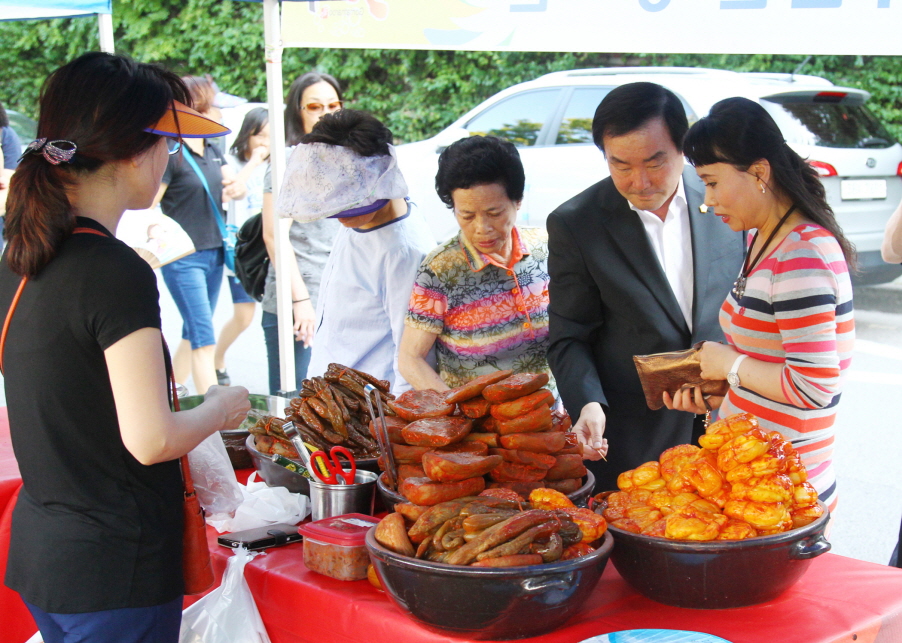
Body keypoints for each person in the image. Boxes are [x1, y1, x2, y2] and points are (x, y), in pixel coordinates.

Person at [0, 52, 250, 643]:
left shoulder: (20, 257)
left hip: (46, 557)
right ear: (131, 149)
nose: (171, 157)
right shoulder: (114, 270)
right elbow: (152, 438)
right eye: (166, 142)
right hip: (115, 569)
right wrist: (220, 406)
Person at [546, 82, 745, 490]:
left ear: (683, 149)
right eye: (620, 165)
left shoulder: (726, 199)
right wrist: (587, 403)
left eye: (655, 163)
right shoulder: (578, 223)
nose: (639, 181)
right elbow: (569, 336)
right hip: (631, 436)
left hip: (728, 426)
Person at [666, 96, 856, 512]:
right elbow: (772, 358)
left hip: (785, 491)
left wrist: (728, 367)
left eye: (713, 183)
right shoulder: (762, 239)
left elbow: (815, 386)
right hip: (753, 477)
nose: (706, 200)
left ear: (758, 172)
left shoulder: (802, 255)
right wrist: (723, 392)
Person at [278, 109, 435, 393]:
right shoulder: (355, 222)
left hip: (370, 412)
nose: (339, 212)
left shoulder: (403, 253)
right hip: (331, 393)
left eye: (347, 202)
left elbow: (413, 358)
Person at [399, 135, 553, 392]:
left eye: (494, 213)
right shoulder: (440, 270)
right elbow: (410, 358)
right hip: (478, 423)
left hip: (549, 415)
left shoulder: (548, 249)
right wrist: (454, 409)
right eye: (467, 215)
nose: (482, 229)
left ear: (518, 201)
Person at [154, 75, 245, 394]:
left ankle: (171, 395)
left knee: (193, 333)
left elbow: (234, 185)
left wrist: (241, 182)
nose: (221, 112)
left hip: (214, 252)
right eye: (216, 106)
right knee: (203, 337)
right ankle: (214, 424)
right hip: (183, 259)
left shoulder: (212, 148)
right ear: (197, 109)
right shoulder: (170, 152)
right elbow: (150, 206)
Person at [260, 71, 343, 394]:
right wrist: (301, 301)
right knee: (294, 404)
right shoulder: (287, 161)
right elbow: (273, 236)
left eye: (333, 104)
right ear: (298, 112)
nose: (326, 113)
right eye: (314, 106)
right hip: (296, 302)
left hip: (336, 298)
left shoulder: (346, 158)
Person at [214, 107, 270, 385]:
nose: (265, 144)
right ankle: (217, 359)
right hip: (244, 250)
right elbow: (231, 191)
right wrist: (255, 163)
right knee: (244, 315)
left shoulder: (279, 163)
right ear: (247, 134)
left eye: (272, 138)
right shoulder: (231, 161)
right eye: (261, 136)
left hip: (271, 247)